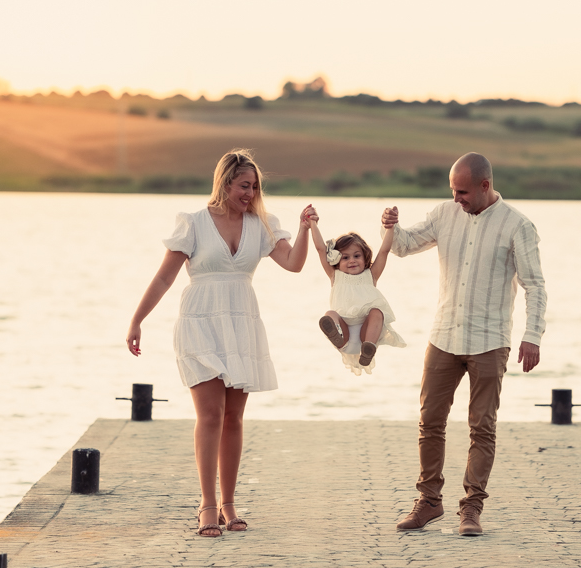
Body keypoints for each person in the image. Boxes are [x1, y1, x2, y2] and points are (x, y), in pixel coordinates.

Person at [126, 149, 316, 538]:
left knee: (233, 418)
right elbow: (164, 278)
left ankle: (229, 503)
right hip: (200, 322)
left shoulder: (262, 224)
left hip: (241, 325)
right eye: (244, 185)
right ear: (225, 182)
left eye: (255, 186)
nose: (250, 193)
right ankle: (207, 505)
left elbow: (294, 264)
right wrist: (138, 319)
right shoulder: (193, 223)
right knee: (210, 415)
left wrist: (305, 228)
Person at [382, 152, 546, 536]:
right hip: (444, 335)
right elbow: (404, 246)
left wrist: (532, 335)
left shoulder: (517, 226)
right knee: (430, 422)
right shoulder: (444, 214)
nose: (457, 198)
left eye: (462, 192)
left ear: (485, 186)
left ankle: (471, 509)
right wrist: (391, 226)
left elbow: (535, 285)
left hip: (490, 340)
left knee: (482, 428)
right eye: (453, 191)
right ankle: (429, 502)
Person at [309, 220, 406, 375]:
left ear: (365, 256)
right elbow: (321, 249)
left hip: (366, 335)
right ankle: (336, 335)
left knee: (377, 312)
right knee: (330, 314)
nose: (352, 260)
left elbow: (384, 251)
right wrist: (313, 223)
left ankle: (369, 349)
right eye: (345, 258)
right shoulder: (335, 276)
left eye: (356, 256)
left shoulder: (371, 275)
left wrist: (390, 228)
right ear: (336, 260)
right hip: (345, 335)